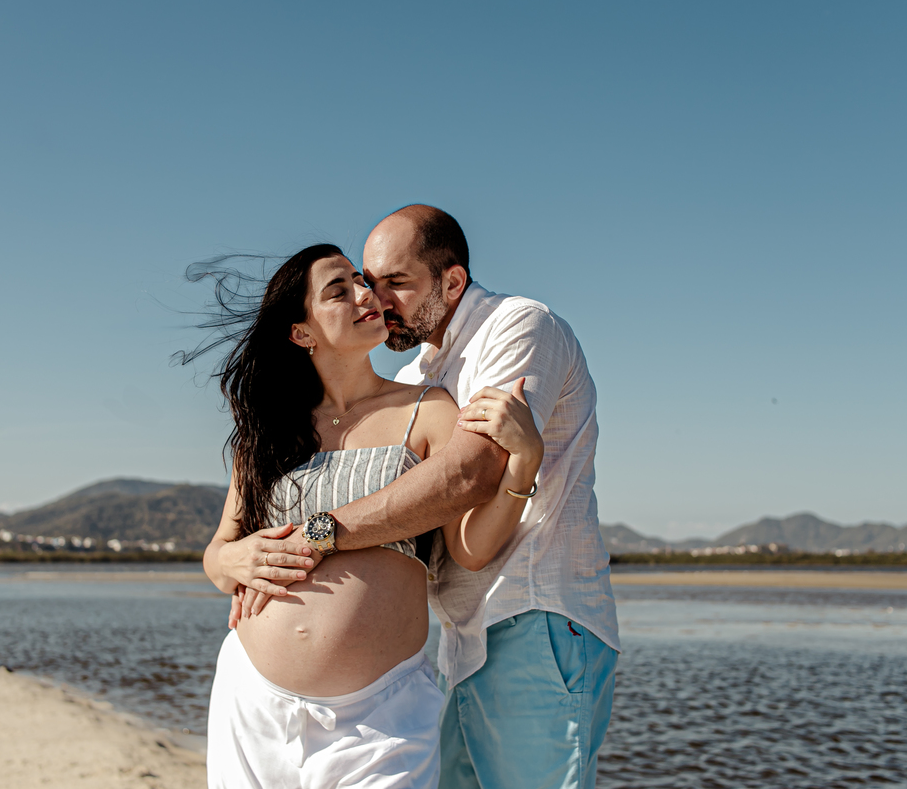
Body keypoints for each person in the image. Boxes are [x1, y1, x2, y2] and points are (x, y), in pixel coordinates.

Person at [248, 205, 621, 789]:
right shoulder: (425, 369)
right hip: (459, 640)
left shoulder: (517, 326)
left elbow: (469, 471)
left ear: (452, 281)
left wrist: (318, 534)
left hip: (532, 617)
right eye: (371, 282)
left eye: (398, 282)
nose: (378, 298)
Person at [199, 244, 546, 789]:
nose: (367, 295)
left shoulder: (427, 409)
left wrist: (524, 463)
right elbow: (218, 559)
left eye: (362, 282)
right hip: (253, 699)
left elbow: (470, 548)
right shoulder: (265, 437)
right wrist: (235, 557)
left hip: (382, 719)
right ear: (301, 333)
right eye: (339, 290)